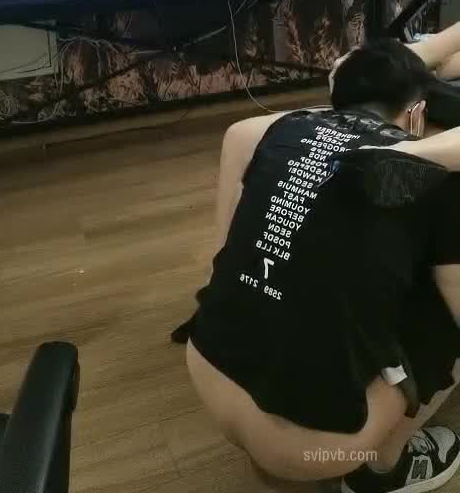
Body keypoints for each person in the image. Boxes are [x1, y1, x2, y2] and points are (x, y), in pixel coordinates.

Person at [181, 27, 460, 488]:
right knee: (445, 312)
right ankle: (383, 471)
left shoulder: (281, 130)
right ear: (416, 115)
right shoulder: (438, 182)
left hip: (207, 371)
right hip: (315, 450)